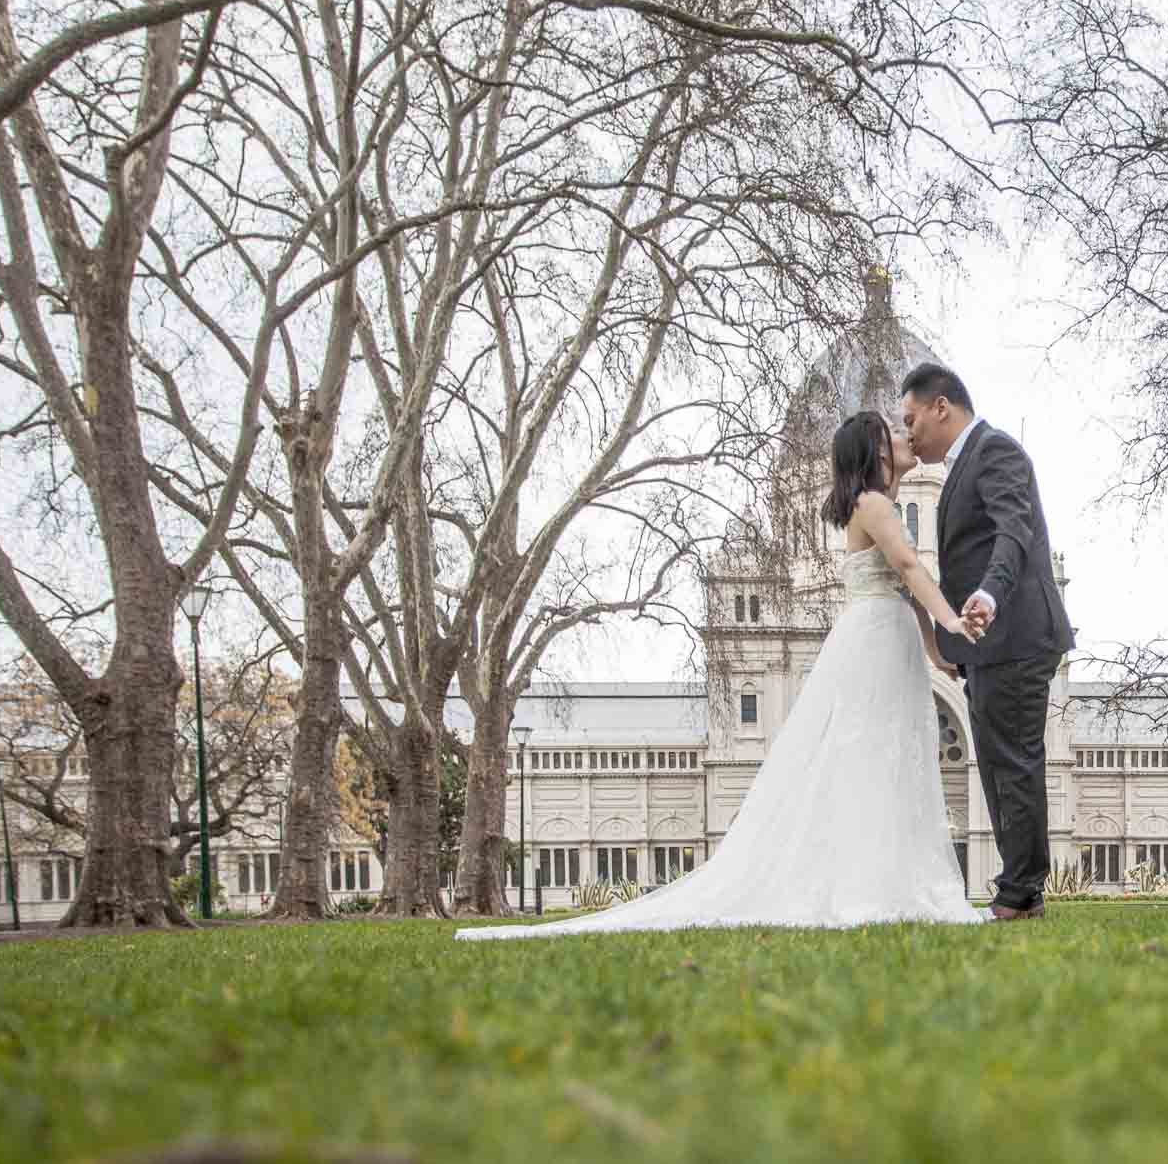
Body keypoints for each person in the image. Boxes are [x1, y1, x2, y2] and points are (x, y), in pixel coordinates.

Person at [457, 411, 983, 939]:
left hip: (887, 633)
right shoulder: (873, 505)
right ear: (876, 452)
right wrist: (954, 619)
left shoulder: (874, 506)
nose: (903, 433)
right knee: (876, 760)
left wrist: (941, 654)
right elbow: (914, 571)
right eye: (891, 430)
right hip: (876, 639)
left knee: (892, 758)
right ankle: (872, 888)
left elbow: (905, 590)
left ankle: (892, 884)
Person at [900, 363, 1073, 921]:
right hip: (987, 644)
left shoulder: (997, 453)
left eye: (912, 419)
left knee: (1015, 761)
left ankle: (1020, 892)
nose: (909, 433)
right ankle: (1018, 891)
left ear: (940, 407)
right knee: (1000, 764)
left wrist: (989, 595)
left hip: (1015, 632)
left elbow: (1012, 531)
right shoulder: (964, 466)